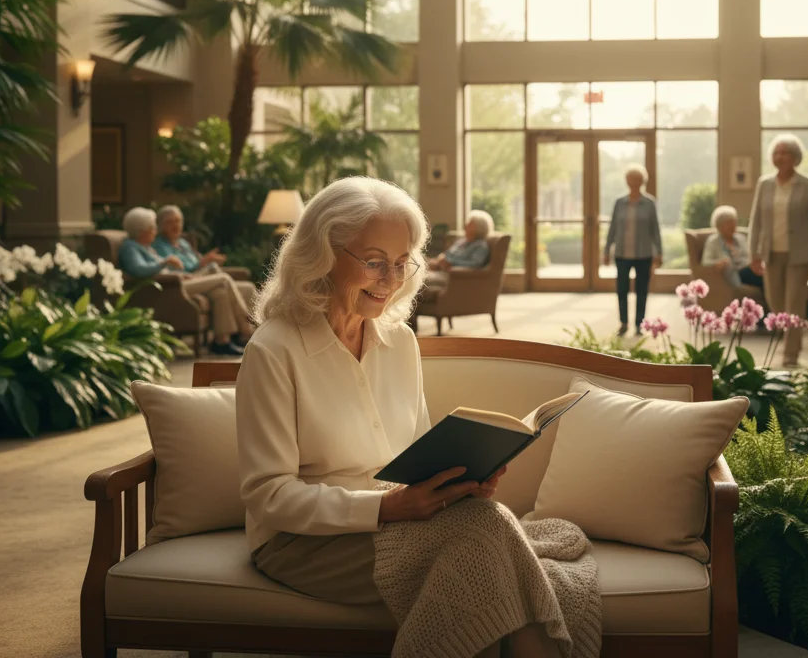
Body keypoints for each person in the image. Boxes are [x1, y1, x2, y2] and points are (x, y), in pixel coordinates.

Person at [237, 177, 588, 658]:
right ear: (321, 254)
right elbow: (268, 496)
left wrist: (455, 483)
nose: (391, 279)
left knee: (481, 528)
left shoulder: (399, 342)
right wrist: (385, 509)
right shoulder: (274, 350)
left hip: (399, 521)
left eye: (402, 263)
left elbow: (416, 454)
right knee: (484, 549)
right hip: (301, 544)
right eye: (375, 262)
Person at [118, 206, 255, 356]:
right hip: (171, 288)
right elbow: (138, 269)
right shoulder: (130, 247)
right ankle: (246, 327)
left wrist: (180, 274)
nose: (155, 231)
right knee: (222, 278)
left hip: (179, 281)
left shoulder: (146, 247)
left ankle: (224, 341)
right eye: (152, 227)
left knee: (220, 290)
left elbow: (164, 270)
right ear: (141, 230)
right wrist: (165, 263)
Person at [747, 134, 808, 367]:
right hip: (771, 253)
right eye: (776, 153)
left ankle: (791, 353)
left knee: (794, 304)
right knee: (776, 303)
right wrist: (754, 253)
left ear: (795, 158)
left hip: (798, 255)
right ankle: (792, 340)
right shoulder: (765, 184)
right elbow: (756, 221)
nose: (780, 157)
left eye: (785, 153)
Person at [602, 164, 662, 336]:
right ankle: (623, 322)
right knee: (622, 290)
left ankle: (639, 324)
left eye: (637, 179)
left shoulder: (649, 203)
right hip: (622, 254)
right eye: (631, 179)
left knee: (642, 290)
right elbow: (612, 228)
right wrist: (607, 250)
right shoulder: (619, 203)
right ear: (627, 181)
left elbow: (655, 229)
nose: (634, 182)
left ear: (642, 181)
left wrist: (659, 252)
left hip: (643, 254)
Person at [701, 205, 764, 291]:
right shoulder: (713, 242)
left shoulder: (741, 238)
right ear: (719, 226)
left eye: (734, 222)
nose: (733, 226)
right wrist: (719, 262)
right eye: (729, 223)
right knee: (764, 279)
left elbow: (749, 256)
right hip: (733, 274)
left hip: (747, 270)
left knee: (766, 277)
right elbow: (706, 262)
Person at [152, 205, 227, 275]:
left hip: (200, 277)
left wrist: (208, 260)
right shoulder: (158, 245)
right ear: (160, 225)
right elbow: (175, 270)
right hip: (184, 280)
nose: (175, 225)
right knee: (214, 269)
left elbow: (198, 261)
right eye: (169, 222)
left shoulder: (183, 243)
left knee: (217, 274)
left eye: (178, 221)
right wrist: (203, 263)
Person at [427, 209, 493, 272]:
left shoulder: (481, 245)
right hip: (440, 267)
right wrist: (440, 259)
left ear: (479, 228)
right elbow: (447, 254)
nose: (466, 226)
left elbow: (475, 264)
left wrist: (450, 263)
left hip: (453, 273)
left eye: (470, 224)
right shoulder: (461, 241)